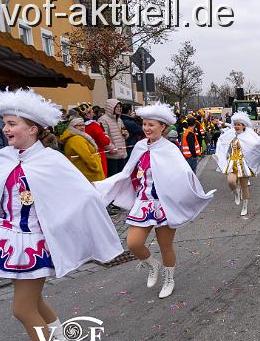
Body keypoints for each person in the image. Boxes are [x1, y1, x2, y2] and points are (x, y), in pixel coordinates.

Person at [0, 88, 123, 341]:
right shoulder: (5, 158)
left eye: (12, 123)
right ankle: (60, 337)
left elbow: (81, 196)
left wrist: (65, 225)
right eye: (4, 123)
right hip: (9, 241)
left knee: (21, 308)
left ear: (33, 129)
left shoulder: (51, 161)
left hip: (34, 245)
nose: (5, 129)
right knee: (34, 300)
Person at [95, 103, 215, 299]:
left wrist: (189, 193)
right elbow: (128, 173)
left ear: (162, 127)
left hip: (164, 205)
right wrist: (105, 187)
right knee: (134, 243)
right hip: (143, 203)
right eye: (144, 124)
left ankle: (169, 278)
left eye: (151, 125)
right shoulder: (140, 146)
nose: (147, 128)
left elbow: (184, 174)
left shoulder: (170, 149)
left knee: (165, 245)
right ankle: (153, 265)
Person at [215, 112, 260, 216]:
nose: (236, 126)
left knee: (244, 186)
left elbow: (256, 144)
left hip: (243, 164)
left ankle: (245, 206)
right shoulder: (230, 134)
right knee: (231, 181)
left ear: (243, 125)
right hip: (232, 162)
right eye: (235, 124)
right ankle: (236, 192)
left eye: (239, 124)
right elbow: (223, 143)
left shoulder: (248, 135)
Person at [58, 117, 105, 182]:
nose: (82, 127)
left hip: (85, 171)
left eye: (83, 125)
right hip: (88, 173)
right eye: (79, 125)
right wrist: (95, 167)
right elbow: (87, 156)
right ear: (73, 127)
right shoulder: (76, 139)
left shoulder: (78, 136)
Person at [76, 102, 111, 177]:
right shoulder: (93, 126)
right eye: (91, 112)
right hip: (97, 154)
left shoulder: (76, 126)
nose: (93, 114)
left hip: (83, 154)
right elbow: (104, 141)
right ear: (87, 114)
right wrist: (107, 137)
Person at [98, 99, 129, 176]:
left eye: (120, 107)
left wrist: (126, 134)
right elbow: (103, 136)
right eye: (117, 107)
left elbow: (125, 132)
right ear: (110, 108)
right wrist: (112, 148)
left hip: (122, 154)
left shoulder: (119, 120)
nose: (119, 109)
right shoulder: (103, 120)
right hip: (111, 156)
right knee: (113, 177)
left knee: (121, 177)